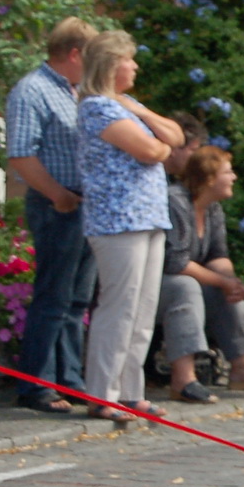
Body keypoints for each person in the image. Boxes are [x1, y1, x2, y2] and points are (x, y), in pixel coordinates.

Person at [76, 30, 184, 422]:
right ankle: (102, 392)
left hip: (149, 216)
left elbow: (175, 136)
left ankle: (129, 391)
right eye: (128, 59)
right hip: (117, 219)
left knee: (143, 308)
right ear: (111, 64)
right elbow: (151, 149)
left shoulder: (127, 105)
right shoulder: (96, 107)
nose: (135, 66)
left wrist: (143, 116)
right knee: (119, 306)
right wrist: (160, 145)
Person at [7, 17, 98, 414]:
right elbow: (21, 153)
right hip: (56, 204)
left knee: (77, 300)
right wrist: (57, 194)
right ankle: (37, 384)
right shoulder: (33, 90)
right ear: (75, 54)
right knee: (53, 296)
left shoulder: (79, 92)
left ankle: (70, 380)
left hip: (84, 205)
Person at [160, 146, 244, 402]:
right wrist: (222, 281)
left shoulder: (212, 208)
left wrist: (231, 282)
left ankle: (242, 369)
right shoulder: (176, 202)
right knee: (186, 287)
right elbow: (176, 262)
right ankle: (183, 379)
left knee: (221, 286)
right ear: (208, 178)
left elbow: (217, 254)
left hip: (187, 276)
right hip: (158, 281)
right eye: (228, 172)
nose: (234, 177)